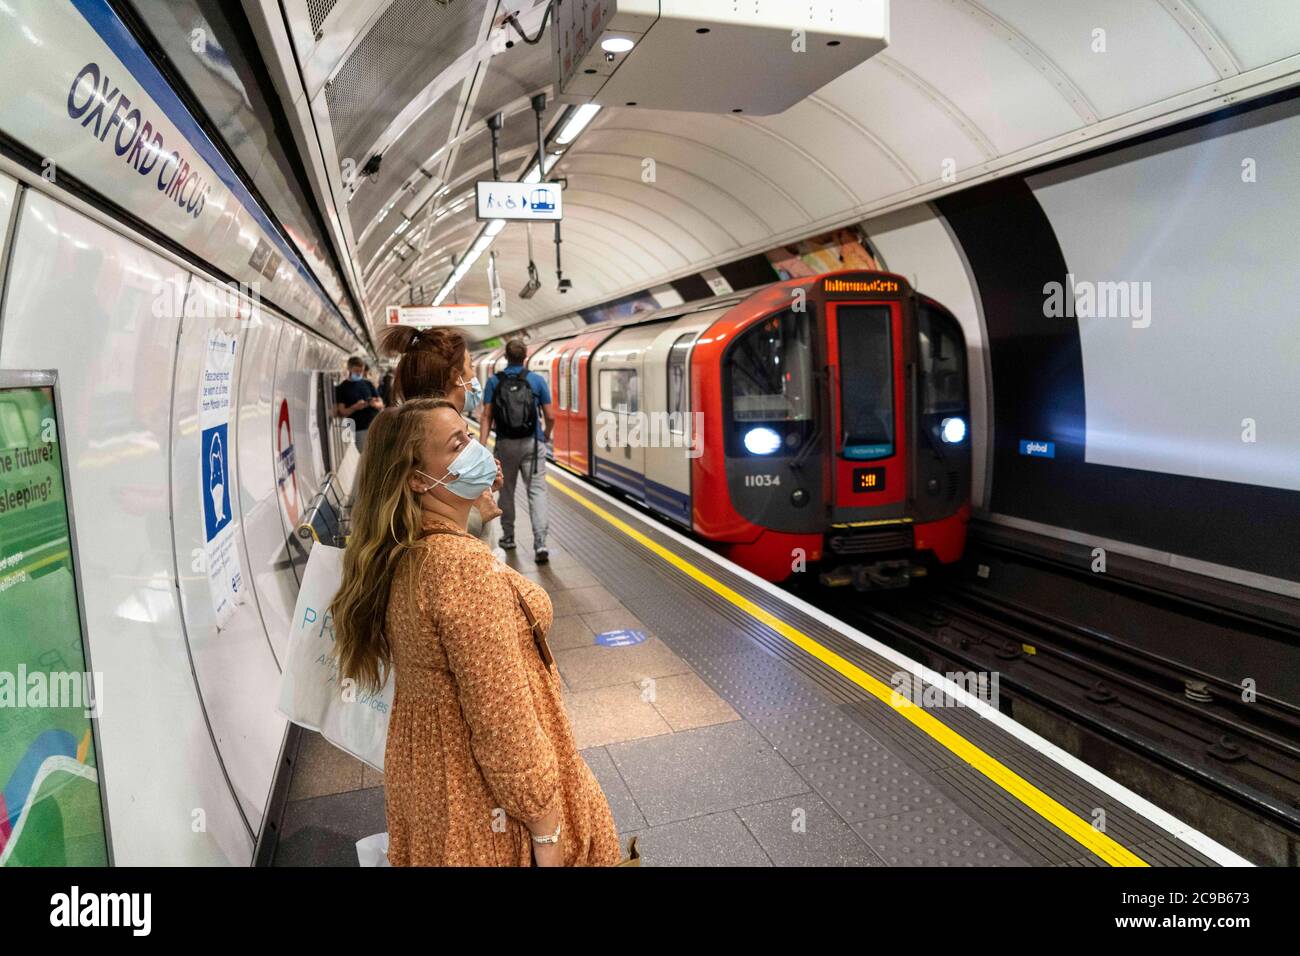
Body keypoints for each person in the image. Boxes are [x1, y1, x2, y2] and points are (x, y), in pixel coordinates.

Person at [329, 398, 621, 866]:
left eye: (470, 436)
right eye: (457, 444)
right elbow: (501, 718)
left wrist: (478, 518)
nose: (475, 449)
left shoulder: (407, 553)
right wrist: (545, 828)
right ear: (419, 479)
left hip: (430, 778)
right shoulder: (461, 568)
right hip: (481, 801)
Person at [381, 325, 503, 552]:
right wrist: (480, 510)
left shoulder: (409, 427)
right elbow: (431, 524)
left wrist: (478, 484)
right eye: (471, 367)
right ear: (457, 377)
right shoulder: (424, 438)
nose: (475, 376)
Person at [482, 339, 554, 563]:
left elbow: (486, 416)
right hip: (532, 444)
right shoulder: (536, 380)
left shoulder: (494, 381)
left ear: (506, 357)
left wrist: (482, 448)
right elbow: (550, 416)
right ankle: (540, 543)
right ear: (525, 357)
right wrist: (545, 435)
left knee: (507, 491)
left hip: (505, 444)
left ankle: (509, 536)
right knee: (537, 492)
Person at [335, 356, 383, 452]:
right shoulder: (341, 388)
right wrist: (355, 407)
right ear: (349, 369)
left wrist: (373, 404)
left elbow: (381, 404)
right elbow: (342, 411)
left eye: (361, 371)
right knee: (365, 456)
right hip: (359, 429)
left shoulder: (367, 383)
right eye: (356, 371)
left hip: (376, 425)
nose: (359, 373)